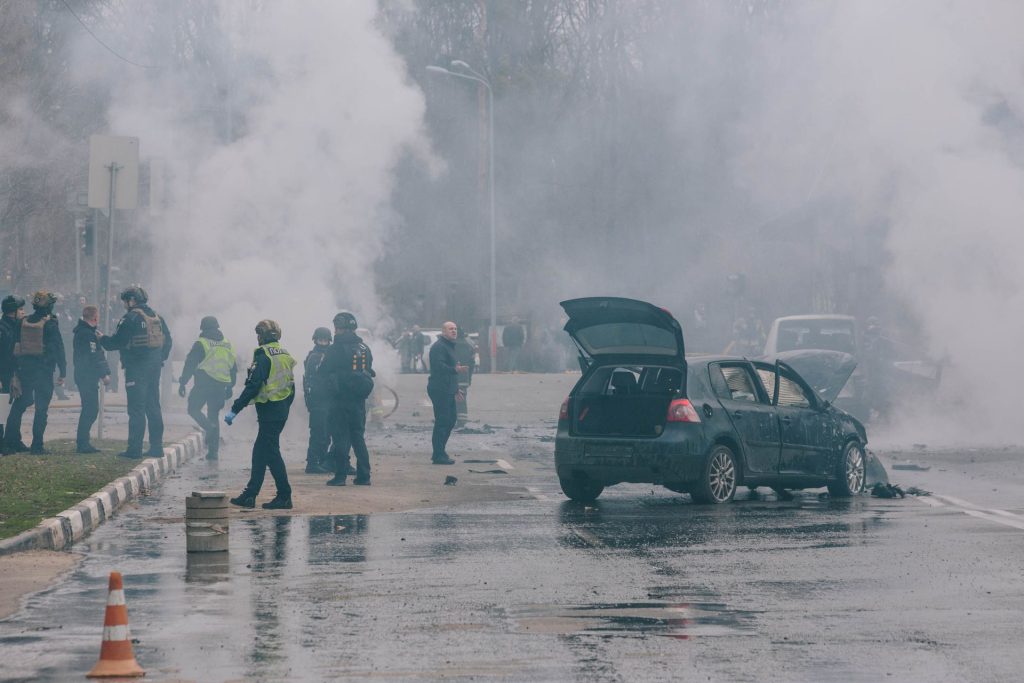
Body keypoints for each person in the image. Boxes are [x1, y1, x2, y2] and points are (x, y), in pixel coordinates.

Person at [224, 320, 296, 509]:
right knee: (260, 453)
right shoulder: (285, 354)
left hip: (270, 412)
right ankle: (250, 495)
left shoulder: (263, 355)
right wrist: (285, 406)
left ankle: (284, 496)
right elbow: (291, 386)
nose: (257, 338)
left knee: (271, 454)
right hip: (280, 411)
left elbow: (253, 386)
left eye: (258, 334)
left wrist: (235, 409)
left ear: (263, 336)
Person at [99, 285, 172, 459]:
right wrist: (160, 359)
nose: (124, 304)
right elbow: (168, 341)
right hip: (154, 369)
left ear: (132, 300)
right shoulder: (157, 317)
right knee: (153, 406)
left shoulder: (129, 318)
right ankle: (156, 447)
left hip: (136, 369)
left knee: (136, 409)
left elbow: (117, 342)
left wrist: (102, 339)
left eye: (125, 301)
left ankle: (134, 450)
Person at [5, 291, 66, 454]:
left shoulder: (22, 322)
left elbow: (14, 346)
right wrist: (63, 371)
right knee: (41, 409)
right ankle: (37, 445)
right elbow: (58, 348)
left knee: (19, 405)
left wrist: (14, 372)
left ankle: (9, 441)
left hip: (24, 370)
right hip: (44, 372)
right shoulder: (50, 323)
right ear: (50, 306)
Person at [319, 311, 375, 486]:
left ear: (342, 328)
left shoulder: (335, 349)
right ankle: (364, 476)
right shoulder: (365, 348)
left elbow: (323, 370)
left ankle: (340, 476)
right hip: (359, 402)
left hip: (341, 400)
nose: (335, 331)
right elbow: (369, 369)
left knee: (341, 439)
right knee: (358, 438)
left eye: (338, 328)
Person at [178, 316, 237, 459]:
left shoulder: (201, 343)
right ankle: (213, 452)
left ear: (202, 328)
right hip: (220, 386)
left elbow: (190, 364)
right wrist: (230, 387)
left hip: (204, 384)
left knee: (193, 408)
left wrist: (183, 382)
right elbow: (233, 368)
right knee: (213, 416)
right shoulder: (227, 343)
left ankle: (208, 428)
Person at [73, 305, 111, 453]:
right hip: (86, 375)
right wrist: (104, 374)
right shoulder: (87, 335)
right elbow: (94, 356)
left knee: (89, 409)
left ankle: (83, 442)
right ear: (95, 318)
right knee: (90, 410)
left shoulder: (85, 332)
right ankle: (82, 443)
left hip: (84, 374)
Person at [427, 321, 466, 465]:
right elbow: (439, 367)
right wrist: (454, 370)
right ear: (443, 331)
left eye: (455, 328)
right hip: (439, 388)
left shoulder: (449, 346)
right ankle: (438, 454)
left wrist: (455, 389)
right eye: (451, 329)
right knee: (442, 421)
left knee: (450, 420)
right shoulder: (439, 347)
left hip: (447, 388)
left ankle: (440, 451)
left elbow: (451, 371)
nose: (454, 331)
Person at [302, 326, 333, 474]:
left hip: (326, 401)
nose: (323, 342)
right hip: (318, 401)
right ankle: (312, 463)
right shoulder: (315, 357)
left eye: (325, 339)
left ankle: (321, 460)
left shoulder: (326, 355)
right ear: (315, 340)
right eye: (320, 339)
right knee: (318, 433)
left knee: (325, 434)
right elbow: (314, 381)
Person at [0, 295, 25, 454]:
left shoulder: (15, 326)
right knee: (1, 411)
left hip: (12, 373)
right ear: (12, 311)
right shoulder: (3, 329)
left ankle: (13, 439)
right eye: (20, 309)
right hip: (3, 375)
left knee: (12, 408)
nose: (23, 312)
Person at [453, 326, 476, 425]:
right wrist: (469, 379)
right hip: (463, 378)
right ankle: (462, 420)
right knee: (462, 399)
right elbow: (471, 364)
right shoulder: (468, 346)